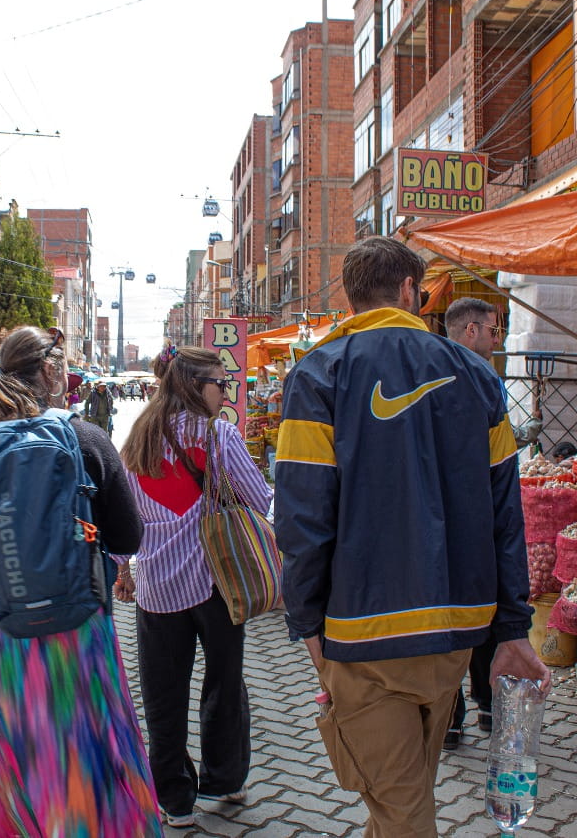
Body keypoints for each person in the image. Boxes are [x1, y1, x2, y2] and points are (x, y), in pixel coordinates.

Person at [275, 236, 550, 836]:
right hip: (455, 630)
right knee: (404, 797)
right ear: (409, 292)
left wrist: (308, 629)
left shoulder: (319, 372)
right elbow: (508, 512)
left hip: (362, 632)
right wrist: (512, 627)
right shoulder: (477, 377)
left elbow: (300, 522)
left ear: (352, 298)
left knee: (402, 811)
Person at [0, 326, 161, 836]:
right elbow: (130, 536)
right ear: (52, 372)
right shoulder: (88, 438)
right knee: (87, 742)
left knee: (8, 750)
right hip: (79, 624)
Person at [116, 345, 273, 828]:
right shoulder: (220, 434)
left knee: (163, 695)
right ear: (193, 386)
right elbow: (260, 498)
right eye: (220, 384)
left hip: (159, 586)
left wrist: (124, 567)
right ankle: (224, 781)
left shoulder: (138, 437)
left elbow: (123, 516)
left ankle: (175, 800)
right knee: (225, 685)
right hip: (218, 580)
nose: (226, 393)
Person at [441, 297, 504, 748]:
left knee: (459, 615)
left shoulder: (426, 371)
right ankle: (473, 707)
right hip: (469, 509)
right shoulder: (476, 378)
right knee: (478, 610)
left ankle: (457, 714)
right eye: (493, 330)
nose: (497, 339)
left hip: (446, 512)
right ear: (470, 331)